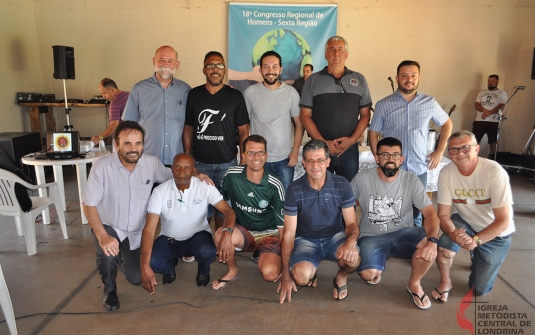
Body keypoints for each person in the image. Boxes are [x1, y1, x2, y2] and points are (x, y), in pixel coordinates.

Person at [83, 121, 172, 311]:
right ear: (116, 145)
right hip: (110, 226)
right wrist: (102, 235)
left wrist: (197, 175)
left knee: (137, 278)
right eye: (127, 144)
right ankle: (109, 289)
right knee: (106, 253)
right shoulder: (102, 167)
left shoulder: (151, 163)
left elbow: (175, 176)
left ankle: (120, 257)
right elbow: (89, 204)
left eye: (138, 143)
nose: (134, 149)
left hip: (136, 232)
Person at [350, 137, 440, 310]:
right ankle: (378, 261)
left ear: (402, 159)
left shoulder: (411, 180)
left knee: (428, 244)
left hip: (403, 233)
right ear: (377, 158)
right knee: (370, 275)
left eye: (395, 155)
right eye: (385, 154)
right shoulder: (361, 178)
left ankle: (414, 283)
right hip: (372, 236)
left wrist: (432, 242)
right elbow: (346, 206)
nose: (390, 159)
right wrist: (351, 237)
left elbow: (430, 214)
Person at [368, 60, 453, 227]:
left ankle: (414, 241)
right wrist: (378, 156)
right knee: (389, 207)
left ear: (419, 77)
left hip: (418, 167)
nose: (409, 79)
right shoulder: (384, 104)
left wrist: (439, 151)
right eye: (404, 75)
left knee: (418, 210)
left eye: (413, 75)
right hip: (392, 167)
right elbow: (373, 133)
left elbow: (447, 124)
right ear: (397, 78)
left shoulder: (429, 102)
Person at [433, 131, 515, 301]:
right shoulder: (446, 173)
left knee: (478, 290)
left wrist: (476, 240)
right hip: (466, 222)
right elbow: (443, 214)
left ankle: (477, 255)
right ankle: (445, 282)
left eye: (465, 147)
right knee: (446, 242)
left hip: (496, 234)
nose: (460, 153)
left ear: (477, 149)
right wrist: (452, 233)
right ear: (449, 153)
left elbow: (503, 220)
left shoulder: (494, 172)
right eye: (454, 149)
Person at [140, 153, 236, 295]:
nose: (182, 172)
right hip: (169, 238)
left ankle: (203, 271)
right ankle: (170, 267)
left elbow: (229, 211)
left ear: (193, 170)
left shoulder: (205, 186)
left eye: (187, 168)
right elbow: (149, 230)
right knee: (154, 263)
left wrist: (227, 233)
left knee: (208, 251)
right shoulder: (159, 191)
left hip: (198, 236)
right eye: (177, 167)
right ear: (171, 169)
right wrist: (144, 266)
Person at [278, 140, 360, 303]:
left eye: (320, 160)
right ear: (303, 163)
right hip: (306, 239)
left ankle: (341, 277)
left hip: (334, 237)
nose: (315, 165)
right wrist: (286, 275)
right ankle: (311, 273)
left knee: (353, 258)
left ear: (328, 162)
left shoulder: (342, 184)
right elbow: (289, 233)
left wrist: (350, 242)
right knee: (301, 277)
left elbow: (351, 224)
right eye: (310, 160)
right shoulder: (294, 189)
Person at [183, 51, 250, 230]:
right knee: (199, 210)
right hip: (200, 164)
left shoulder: (235, 96)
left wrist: (243, 159)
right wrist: (189, 159)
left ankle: (221, 243)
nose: (215, 69)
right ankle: (200, 244)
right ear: (204, 69)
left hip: (227, 164)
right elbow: (188, 128)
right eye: (211, 65)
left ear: (225, 70)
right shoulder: (194, 95)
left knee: (224, 210)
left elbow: (244, 130)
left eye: (219, 65)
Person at [211, 135, 286, 290]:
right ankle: (232, 271)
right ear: (243, 155)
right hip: (244, 231)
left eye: (260, 152)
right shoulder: (232, 175)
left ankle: (265, 253)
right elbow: (221, 204)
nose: (256, 157)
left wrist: (286, 270)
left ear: (266, 155)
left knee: (270, 274)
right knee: (219, 235)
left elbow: (283, 228)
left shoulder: (275, 185)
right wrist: (226, 231)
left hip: (270, 234)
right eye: (251, 153)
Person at [300, 36, 372, 182]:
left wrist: (351, 140)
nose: (336, 54)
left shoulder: (360, 80)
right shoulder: (312, 81)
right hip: (319, 150)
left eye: (340, 49)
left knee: (348, 192)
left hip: (349, 149)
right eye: (332, 50)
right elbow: (305, 116)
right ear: (325, 54)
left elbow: (365, 114)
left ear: (347, 54)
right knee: (319, 191)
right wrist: (323, 142)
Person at [244, 51, 304, 191]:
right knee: (258, 201)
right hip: (257, 160)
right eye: (266, 67)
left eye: (274, 66)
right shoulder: (250, 93)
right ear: (260, 70)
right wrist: (248, 154)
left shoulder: (291, 92)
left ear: (280, 69)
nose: (270, 71)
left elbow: (299, 124)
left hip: (284, 160)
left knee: (283, 203)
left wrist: (295, 152)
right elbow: (243, 126)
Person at [122, 45, 191, 166]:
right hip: (145, 161)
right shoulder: (139, 89)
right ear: (154, 61)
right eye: (161, 60)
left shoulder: (186, 91)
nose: (166, 64)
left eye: (170, 61)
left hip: (176, 163)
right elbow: (128, 127)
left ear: (177, 64)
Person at [472, 74, 507, 155]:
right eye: (489, 81)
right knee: (474, 141)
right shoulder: (481, 92)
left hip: (493, 122)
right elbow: (477, 104)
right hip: (479, 121)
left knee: (493, 141)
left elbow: (501, 106)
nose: (490, 83)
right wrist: (485, 111)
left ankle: (492, 158)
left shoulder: (502, 93)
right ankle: (473, 157)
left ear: (497, 82)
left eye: (492, 81)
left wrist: (488, 113)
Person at [91, 78, 129, 148]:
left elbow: (114, 126)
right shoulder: (129, 95)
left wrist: (99, 137)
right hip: (135, 138)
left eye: (104, 93)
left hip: (121, 141)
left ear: (112, 90)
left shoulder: (115, 103)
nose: (103, 97)